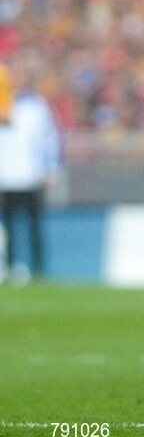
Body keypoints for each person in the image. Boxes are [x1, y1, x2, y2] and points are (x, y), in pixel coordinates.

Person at [0, 59, 61, 282]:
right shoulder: (3, 106)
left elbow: (50, 139)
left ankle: (38, 270)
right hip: (5, 176)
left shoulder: (38, 106)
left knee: (34, 225)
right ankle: (9, 267)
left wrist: (50, 168)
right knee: (7, 228)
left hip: (30, 175)